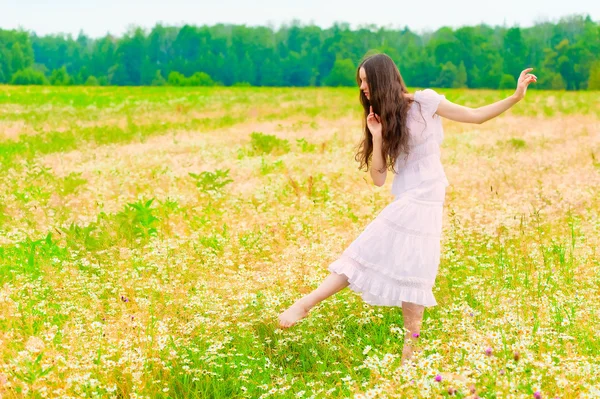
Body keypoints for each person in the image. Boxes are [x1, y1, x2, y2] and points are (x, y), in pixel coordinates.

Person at [278, 53, 537, 363]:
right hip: (406, 197)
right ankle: (308, 305)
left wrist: (516, 96)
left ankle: (406, 354)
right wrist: (376, 136)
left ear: (382, 79)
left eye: (365, 81)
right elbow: (377, 178)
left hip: (429, 196)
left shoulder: (425, 102)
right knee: (370, 253)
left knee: (413, 270)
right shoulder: (380, 119)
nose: (362, 88)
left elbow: (476, 115)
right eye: (360, 82)